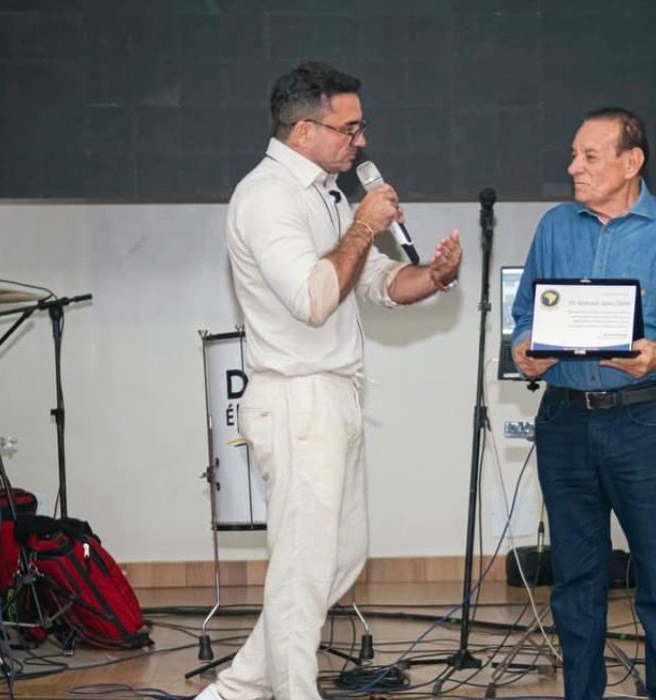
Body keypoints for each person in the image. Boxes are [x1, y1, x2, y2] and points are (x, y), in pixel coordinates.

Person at [197, 61, 461, 700]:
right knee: (303, 571)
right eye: (349, 128)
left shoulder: (327, 193)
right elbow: (314, 298)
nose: (360, 141)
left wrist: (430, 277)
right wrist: (365, 224)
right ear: (302, 131)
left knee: (338, 560)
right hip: (297, 399)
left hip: (334, 395)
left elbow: (369, 282)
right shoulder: (266, 197)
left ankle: (233, 692)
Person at [511, 107, 656, 700]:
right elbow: (525, 315)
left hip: (645, 421)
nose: (573, 167)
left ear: (631, 161)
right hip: (563, 421)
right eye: (573, 155)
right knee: (575, 583)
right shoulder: (555, 227)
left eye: (589, 156)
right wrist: (524, 348)